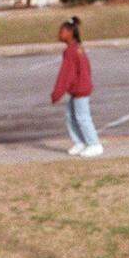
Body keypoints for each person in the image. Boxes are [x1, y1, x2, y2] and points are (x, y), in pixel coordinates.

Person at [51, 16, 103, 158]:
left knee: (82, 117)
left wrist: (57, 93)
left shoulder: (72, 51)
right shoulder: (75, 49)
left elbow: (66, 74)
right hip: (77, 89)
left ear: (70, 33)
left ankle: (94, 144)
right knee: (70, 116)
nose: (59, 34)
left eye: (62, 31)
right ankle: (80, 142)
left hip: (80, 89)